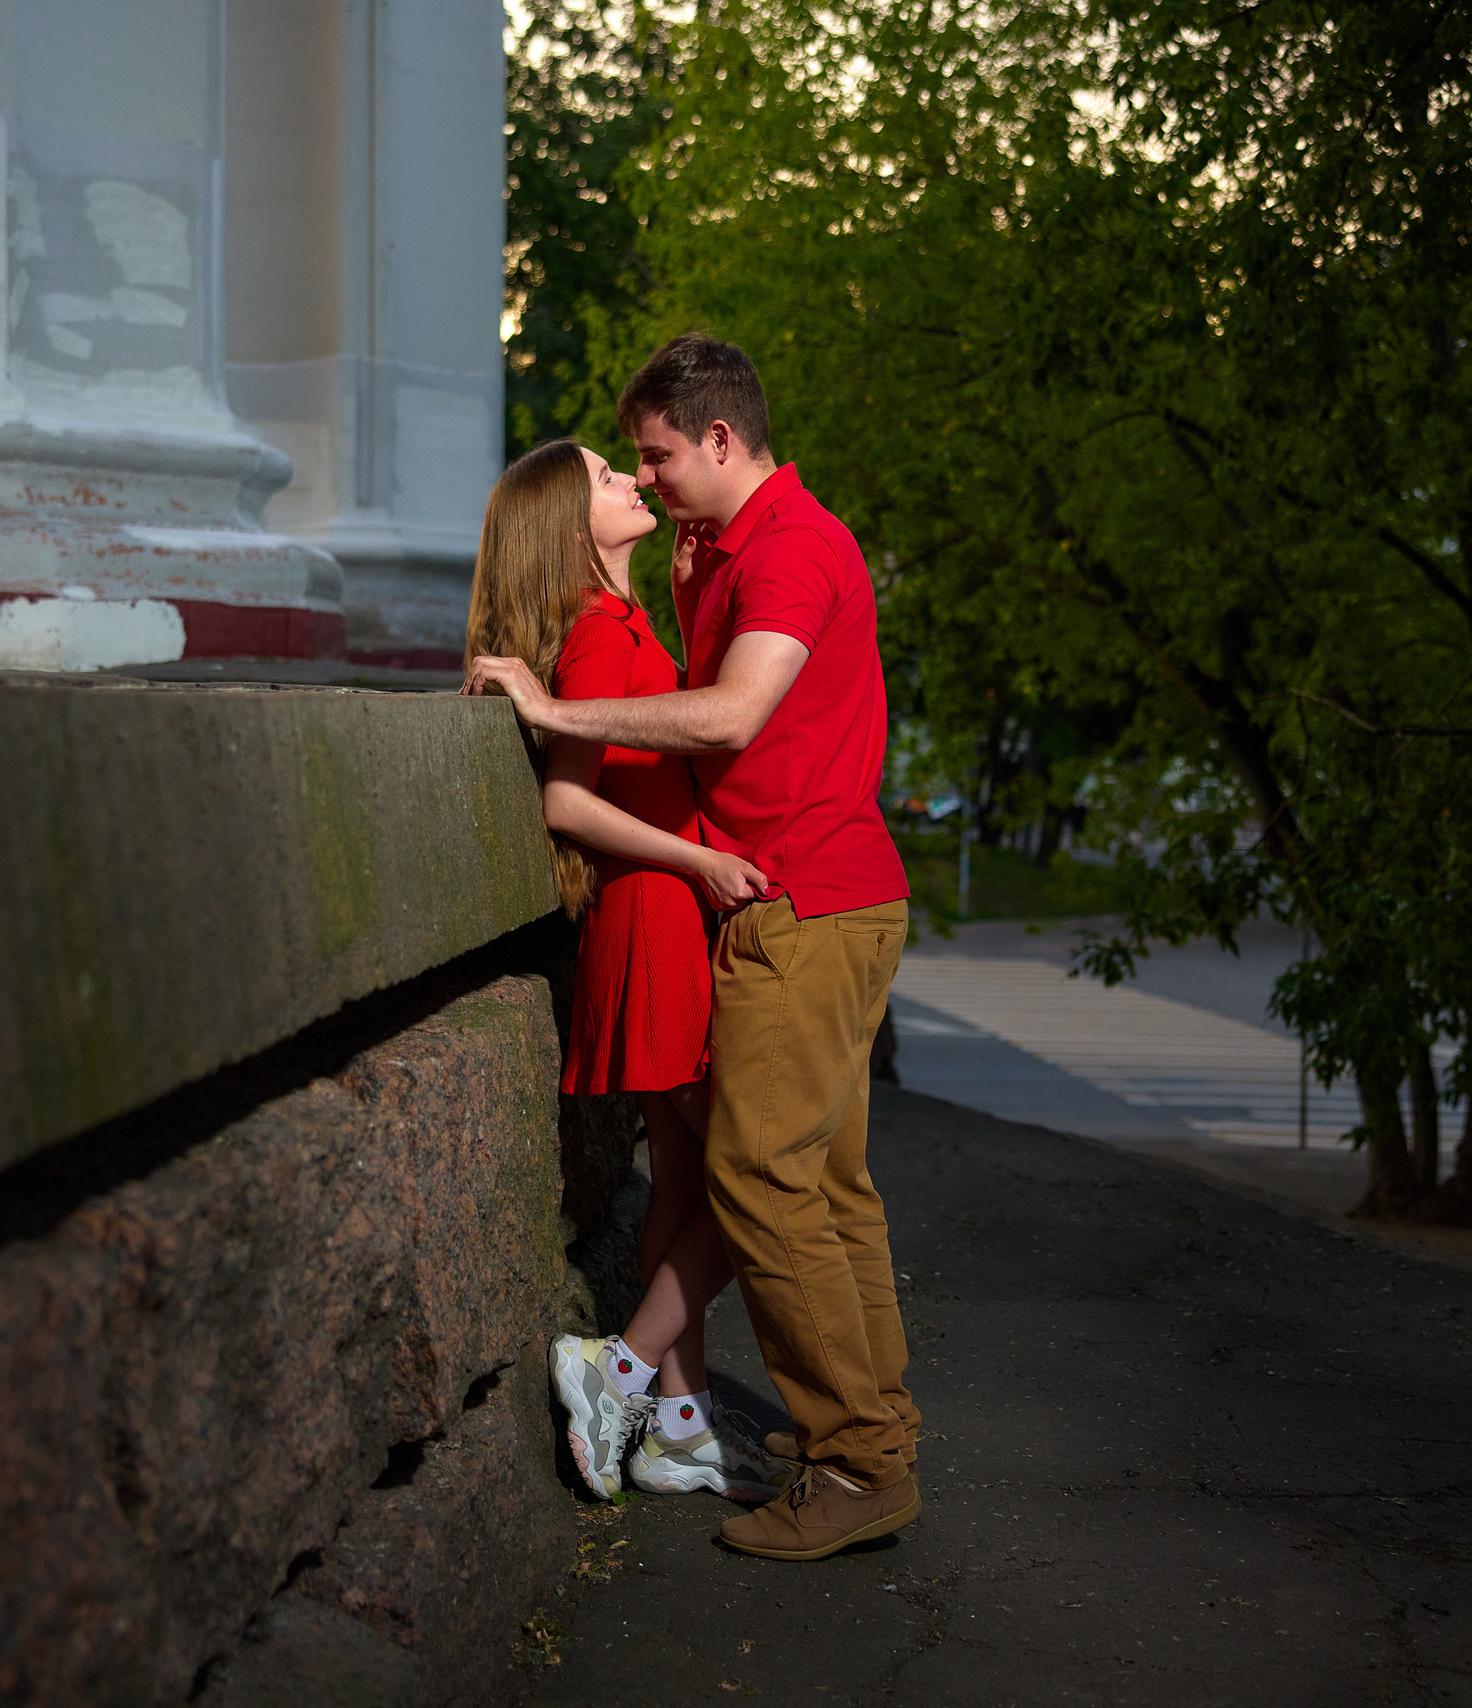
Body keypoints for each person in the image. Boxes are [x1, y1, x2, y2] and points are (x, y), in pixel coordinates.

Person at [465, 334, 920, 1562]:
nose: (650, 478)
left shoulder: (791, 548)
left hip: (807, 900)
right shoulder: (706, 548)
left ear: (720, 439)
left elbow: (729, 713)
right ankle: (865, 1443)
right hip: (785, 901)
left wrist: (553, 706)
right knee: (825, 1188)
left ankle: (859, 1461)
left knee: (759, 1180)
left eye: (658, 455)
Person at [461, 438, 789, 1505]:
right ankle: (623, 1367)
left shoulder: (629, 619)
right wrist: (698, 858)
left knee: (694, 1180)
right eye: (611, 478)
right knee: (761, 1175)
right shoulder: (599, 636)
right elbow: (568, 803)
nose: (638, 481)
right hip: (653, 918)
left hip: (660, 915)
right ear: (567, 529)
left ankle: (676, 1427)